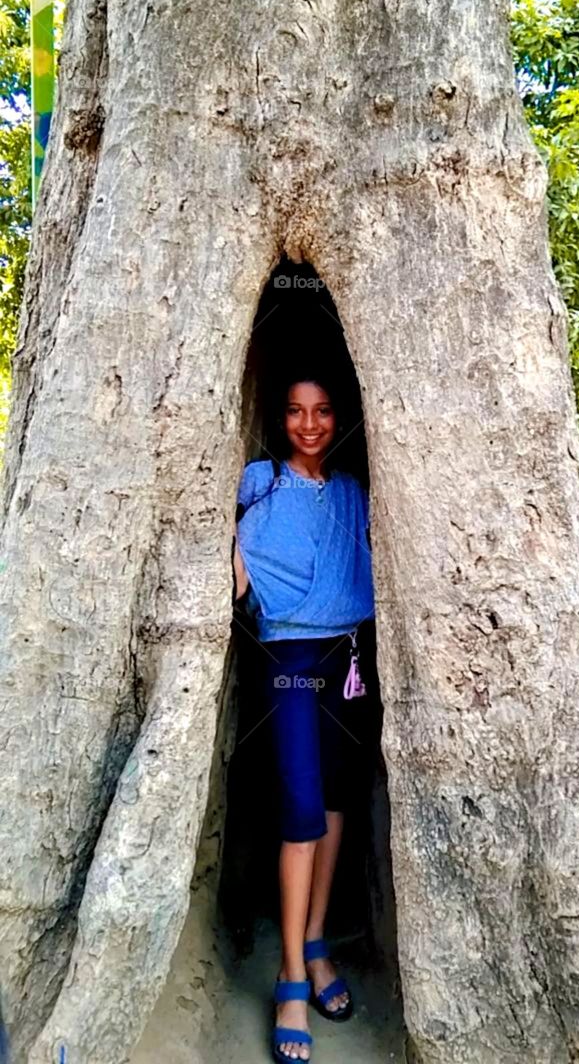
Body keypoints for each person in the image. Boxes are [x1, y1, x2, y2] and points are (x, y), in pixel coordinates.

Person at [232, 372, 375, 1063]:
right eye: (295, 412)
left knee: (339, 803)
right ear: (280, 418)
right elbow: (225, 533)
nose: (309, 425)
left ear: (338, 417)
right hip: (288, 657)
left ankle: (316, 943)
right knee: (301, 812)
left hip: (347, 661)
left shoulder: (352, 492)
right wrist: (235, 553)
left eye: (321, 413)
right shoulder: (262, 481)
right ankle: (292, 974)